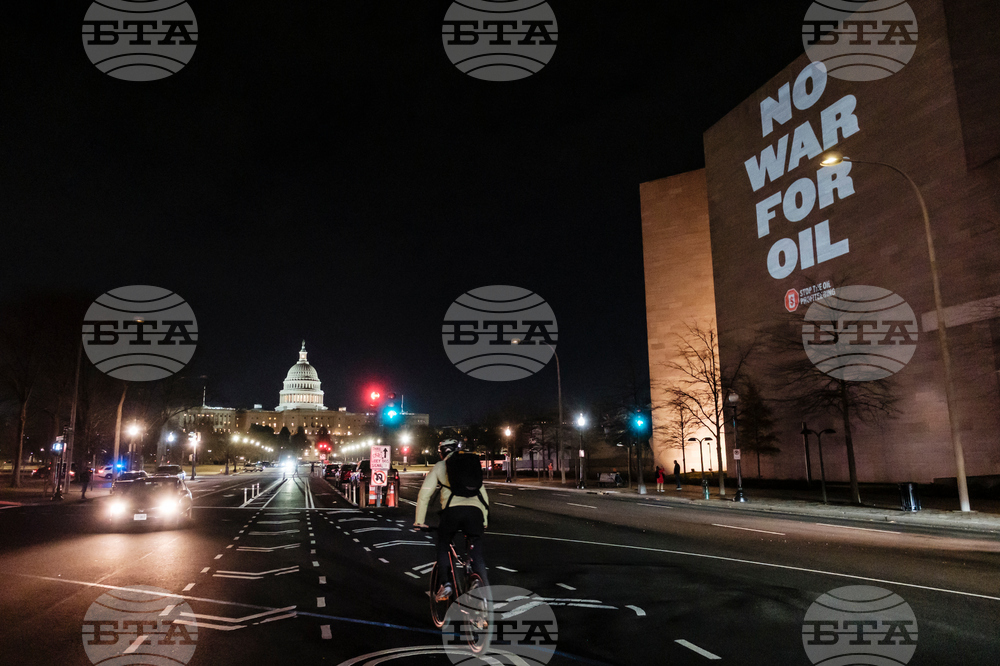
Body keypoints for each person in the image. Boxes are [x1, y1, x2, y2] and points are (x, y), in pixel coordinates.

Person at [414, 439, 490, 602]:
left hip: (452, 512)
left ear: (442, 452)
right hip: (475, 513)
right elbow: (483, 495)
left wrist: (419, 521)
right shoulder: (470, 465)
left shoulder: (440, 466)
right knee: (476, 550)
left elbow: (424, 495)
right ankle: (480, 587)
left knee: (443, 543)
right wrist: (484, 519)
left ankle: (446, 584)